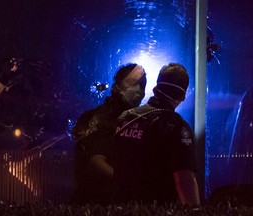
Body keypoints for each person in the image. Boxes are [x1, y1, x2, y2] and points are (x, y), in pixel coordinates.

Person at [113, 63, 200, 205]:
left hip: (119, 207)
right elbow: (185, 180)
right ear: (183, 96)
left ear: (155, 88)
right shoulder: (176, 127)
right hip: (155, 207)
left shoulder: (126, 118)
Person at [71, 63, 147, 204]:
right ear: (116, 87)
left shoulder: (135, 119)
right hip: (96, 201)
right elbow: (96, 161)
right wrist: (130, 185)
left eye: (142, 85)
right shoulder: (103, 117)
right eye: (132, 83)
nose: (138, 90)